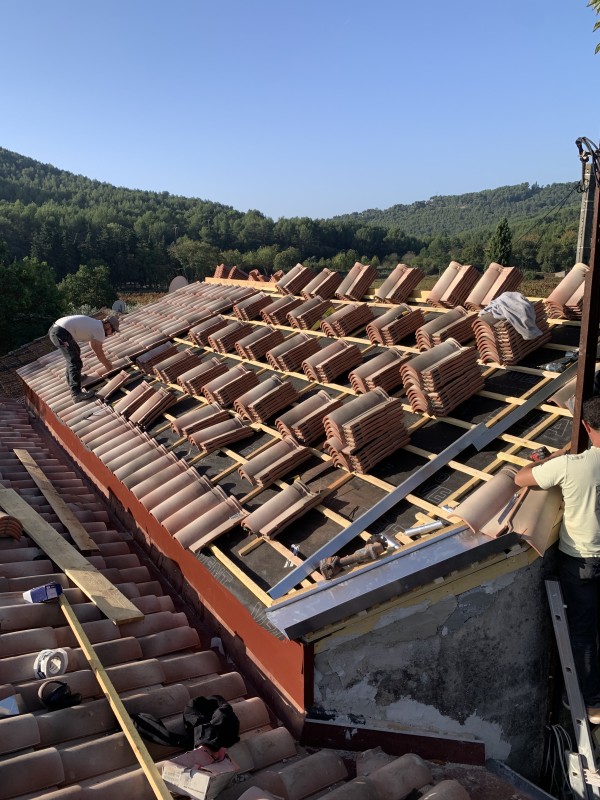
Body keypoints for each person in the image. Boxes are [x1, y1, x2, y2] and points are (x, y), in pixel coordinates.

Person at [514, 395, 600, 723]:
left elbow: (521, 478)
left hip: (581, 561)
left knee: (583, 632)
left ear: (585, 426)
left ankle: (593, 705)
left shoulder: (568, 466)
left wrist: (540, 461)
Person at [48, 314, 119, 402]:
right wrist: (108, 366)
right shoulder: (100, 330)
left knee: (75, 353)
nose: (112, 334)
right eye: (113, 330)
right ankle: (76, 394)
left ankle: (73, 378)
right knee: (75, 361)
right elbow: (99, 353)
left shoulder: (96, 324)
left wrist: (103, 359)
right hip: (61, 333)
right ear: (108, 325)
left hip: (58, 330)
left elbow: (93, 345)